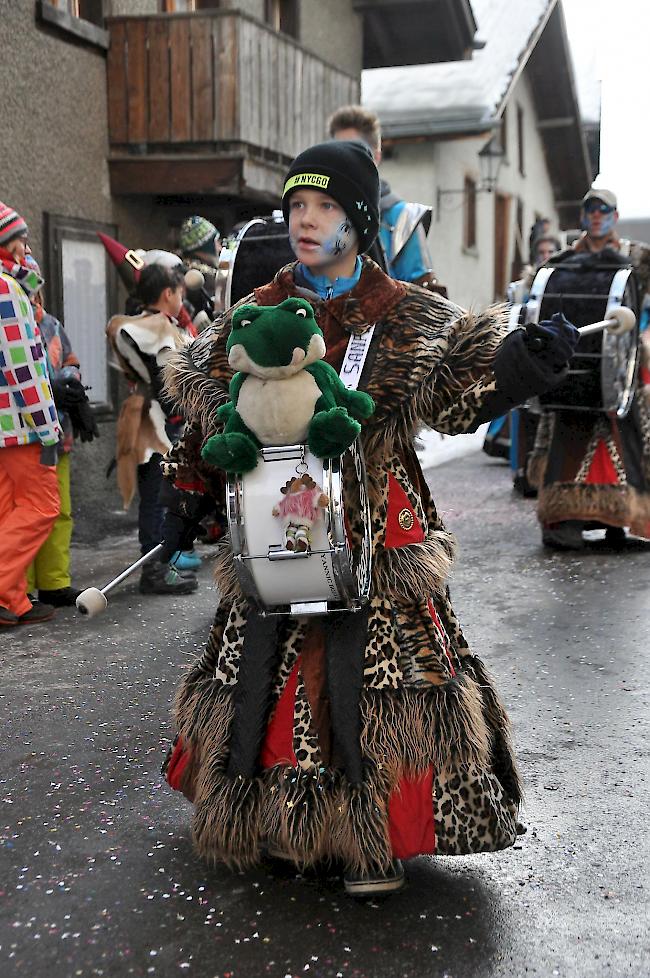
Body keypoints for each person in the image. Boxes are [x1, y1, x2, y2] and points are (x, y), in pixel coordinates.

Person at [156, 139, 579, 896]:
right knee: (265, 662)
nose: (304, 222)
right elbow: (207, 407)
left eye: (323, 207)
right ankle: (279, 825)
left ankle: (369, 838)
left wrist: (521, 367)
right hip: (277, 520)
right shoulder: (258, 308)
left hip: (378, 523)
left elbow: (459, 402)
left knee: (363, 675)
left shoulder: (410, 317)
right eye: (295, 207)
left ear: (358, 220)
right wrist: (191, 488)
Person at [528, 189, 650, 549]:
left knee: (625, 436)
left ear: (614, 214)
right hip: (574, 369)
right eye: (590, 210)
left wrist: (643, 336)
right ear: (582, 216)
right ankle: (565, 520)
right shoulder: (560, 263)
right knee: (568, 435)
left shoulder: (638, 259)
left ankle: (625, 517)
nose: (596, 215)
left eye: (603, 210)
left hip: (622, 366)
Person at [106, 263, 200, 592]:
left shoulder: (160, 326)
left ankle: (162, 567)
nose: (182, 299)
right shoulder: (151, 328)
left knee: (164, 499)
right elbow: (163, 379)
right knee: (157, 499)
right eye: (179, 293)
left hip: (161, 422)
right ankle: (154, 572)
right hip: (154, 424)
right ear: (167, 294)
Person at [0, 201, 61, 626]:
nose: (26, 248)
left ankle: (12, 601)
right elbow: (22, 365)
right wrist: (48, 428)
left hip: (4, 427)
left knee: (7, 513)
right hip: (20, 426)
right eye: (18, 240)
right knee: (43, 506)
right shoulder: (5, 289)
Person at [24, 258, 98, 606]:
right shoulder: (10, 324)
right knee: (22, 514)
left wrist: (70, 385)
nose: (35, 297)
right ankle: (17, 589)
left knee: (59, 511)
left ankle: (54, 582)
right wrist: (51, 386)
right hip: (22, 439)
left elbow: (71, 362)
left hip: (58, 433)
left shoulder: (52, 325)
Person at [328, 104, 446, 294]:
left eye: (353, 152)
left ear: (376, 157)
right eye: (336, 152)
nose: (343, 161)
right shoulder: (317, 213)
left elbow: (421, 302)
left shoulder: (403, 219)